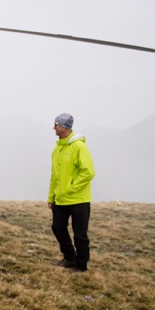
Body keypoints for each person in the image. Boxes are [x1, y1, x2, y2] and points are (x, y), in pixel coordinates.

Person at [47, 113, 95, 272]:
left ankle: (81, 266)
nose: (53, 127)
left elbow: (88, 172)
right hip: (61, 199)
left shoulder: (79, 146)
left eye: (56, 124)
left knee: (80, 234)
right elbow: (54, 176)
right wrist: (51, 197)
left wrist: (71, 187)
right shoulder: (57, 148)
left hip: (79, 199)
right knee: (57, 227)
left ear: (64, 127)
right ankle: (69, 257)